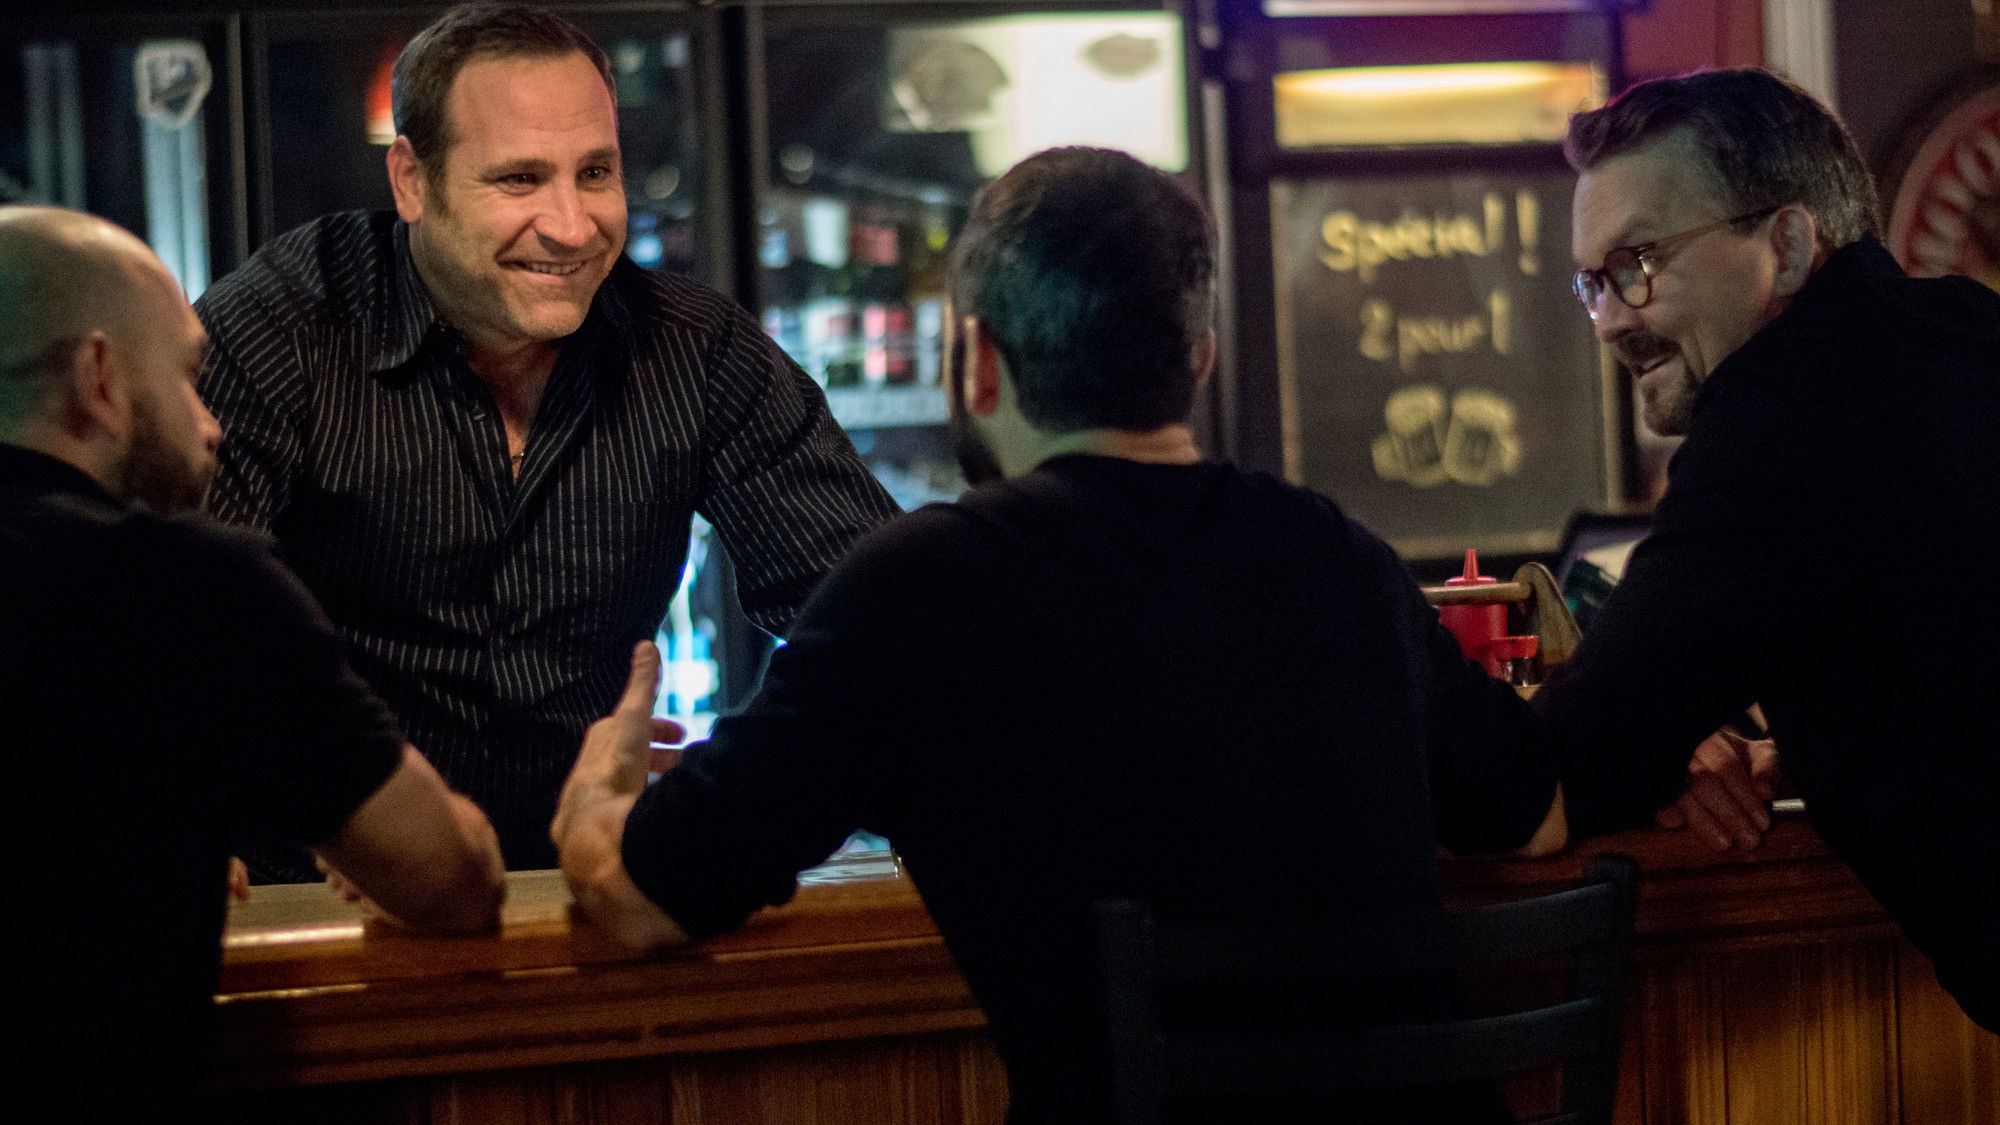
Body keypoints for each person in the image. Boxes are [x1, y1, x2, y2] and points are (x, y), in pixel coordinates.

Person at [552, 148, 1567, 1122]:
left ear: (977, 364)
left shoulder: (917, 590)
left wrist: (600, 789)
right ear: (1199, 358)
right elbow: (1534, 820)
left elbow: (636, 901)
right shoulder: (1339, 556)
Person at [194, 2, 899, 876]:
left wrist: (735, 786)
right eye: (520, 179)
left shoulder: (698, 350)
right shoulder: (280, 330)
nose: (571, 225)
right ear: (412, 180)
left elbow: (882, 625)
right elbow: (173, 632)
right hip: (318, 892)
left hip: (589, 890)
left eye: (594, 172)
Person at [0, 206, 507, 1120]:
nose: (212, 426)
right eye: (188, 377)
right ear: (98, 378)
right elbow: (450, 881)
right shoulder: (185, 588)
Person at [1539, 68, 2000, 1031]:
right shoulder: (1966, 331)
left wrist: (1645, 745)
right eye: (1593, 284)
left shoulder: (1777, 418)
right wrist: (1805, 746)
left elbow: (1564, 765)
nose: (1613, 318)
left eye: (1639, 262)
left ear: (1787, 246)